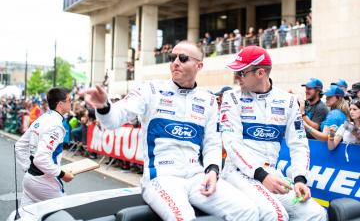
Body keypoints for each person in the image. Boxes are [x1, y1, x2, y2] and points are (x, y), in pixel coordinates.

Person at [81, 41, 258, 221]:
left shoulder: (208, 100)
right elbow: (114, 119)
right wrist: (104, 106)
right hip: (162, 178)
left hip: (197, 177)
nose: (175, 62)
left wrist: (212, 171)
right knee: (184, 218)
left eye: (182, 58)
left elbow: (212, 144)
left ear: (199, 65)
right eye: (172, 58)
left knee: (249, 210)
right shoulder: (151, 89)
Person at [221, 46, 327, 221]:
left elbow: (298, 144)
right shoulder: (231, 98)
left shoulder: (289, 101)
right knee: (275, 215)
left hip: (272, 173)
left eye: (241, 72)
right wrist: (262, 175)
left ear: (261, 73)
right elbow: (232, 144)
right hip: (237, 172)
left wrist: (300, 178)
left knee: (316, 214)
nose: (236, 77)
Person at [15, 87, 74, 206]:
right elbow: (41, 158)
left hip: (30, 179)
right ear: (60, 104)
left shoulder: (43, 118)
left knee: (27, 216)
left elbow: (19, 146)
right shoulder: (56, 126)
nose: (71, 102)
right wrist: (63, 174)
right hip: (45, 182)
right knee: (63, 213)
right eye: (69, 100)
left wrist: (28, 169)